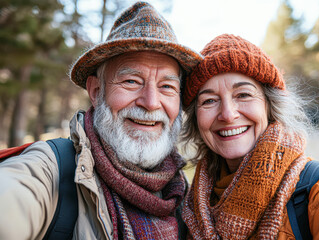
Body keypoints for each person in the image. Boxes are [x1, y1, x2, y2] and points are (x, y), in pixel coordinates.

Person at [0, 2, 202, 239]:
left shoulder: (185, 196)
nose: (151, 102)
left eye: (167, 86)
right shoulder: (47, 172)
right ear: (96, 91)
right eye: (131, 81)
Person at [180, 34, 319, 239]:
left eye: (243, 95)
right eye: (210, 101)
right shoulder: (191, 204)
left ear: (269, 105)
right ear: (196, 118)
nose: (228, 115)